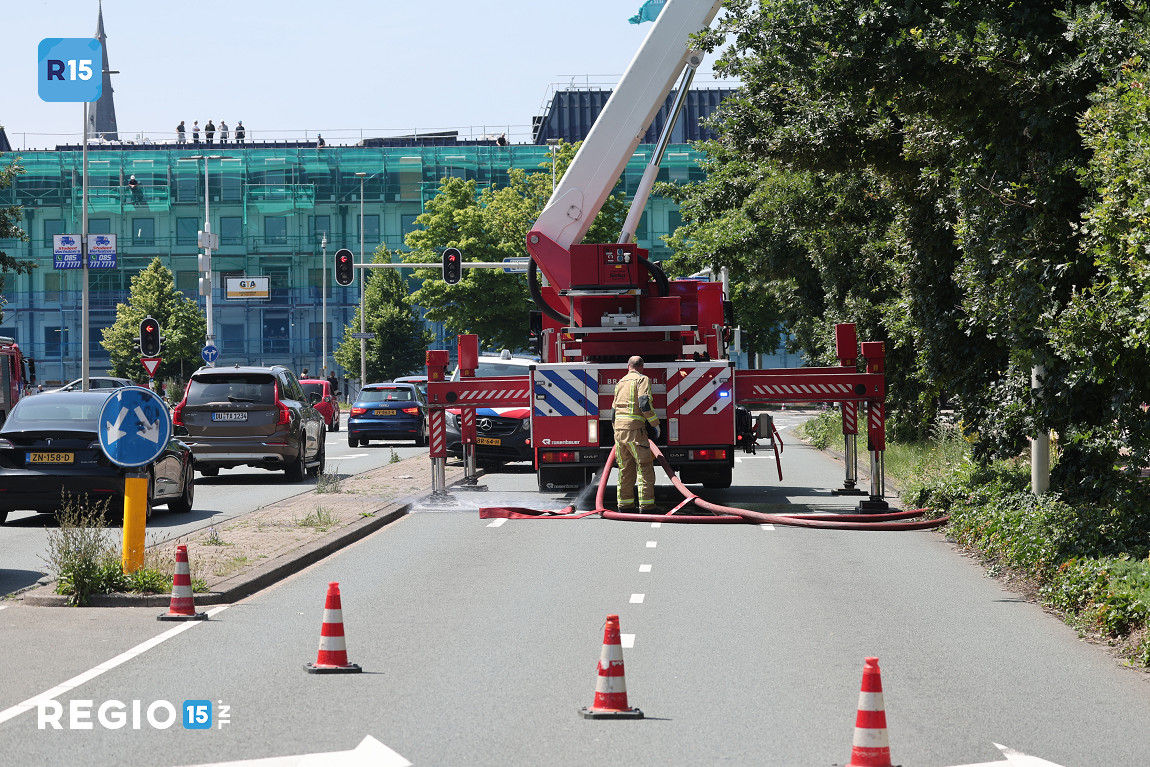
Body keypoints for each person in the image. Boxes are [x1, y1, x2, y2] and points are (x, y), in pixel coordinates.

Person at [612, 355, 661, 513]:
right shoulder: (642, 379)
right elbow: (644, 403)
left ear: (628, 367)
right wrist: (655, 424)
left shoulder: (620, 382)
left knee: (625, 468)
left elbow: (613, 411)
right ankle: (647, 506)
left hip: (619, 431)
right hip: (635, 431)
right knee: (645, 467)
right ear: (642, 367)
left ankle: (624, 505)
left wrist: (616, 428)